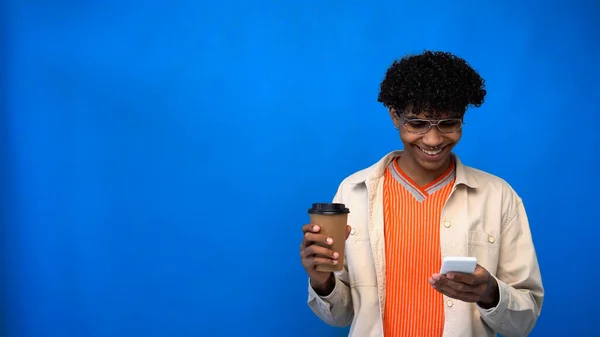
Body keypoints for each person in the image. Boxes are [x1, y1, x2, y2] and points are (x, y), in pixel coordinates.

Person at [299, 50, 544, 337]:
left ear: (462, 118)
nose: (433, 139)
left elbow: (524, 321)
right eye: (417, 124)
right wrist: (322, 281)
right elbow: (340, 316)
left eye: (448, 123)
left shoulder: (499, 197)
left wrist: (491, 293)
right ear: (395, 116)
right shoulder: (353, 192)